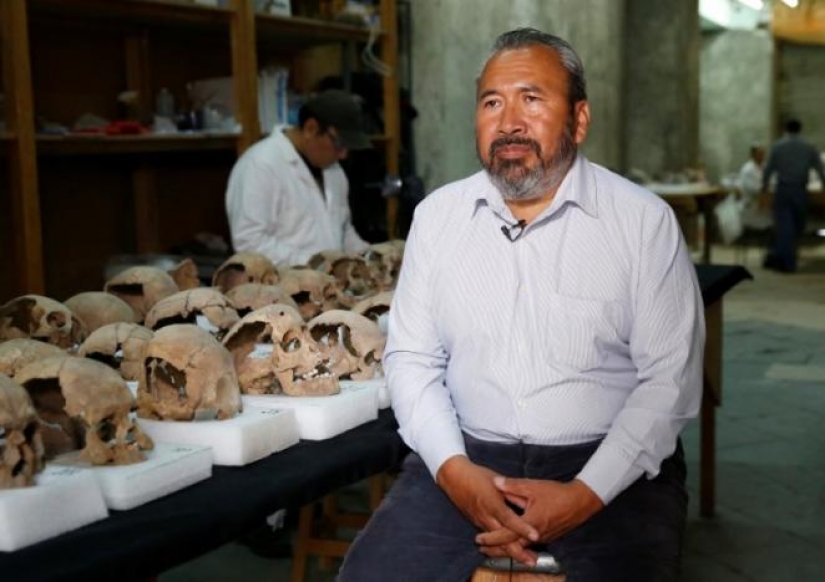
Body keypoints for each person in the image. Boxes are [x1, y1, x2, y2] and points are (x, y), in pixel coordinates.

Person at [337, 28, 705, 582]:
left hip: (608, 462)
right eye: (492, 103)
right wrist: (455, 472)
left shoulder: (641, 223)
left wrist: (584, 494)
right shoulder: (438, 219)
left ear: (579, 120)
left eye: (531, 99)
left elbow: (669, 383)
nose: (509, 122)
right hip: (467, 456)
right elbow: (412, 360)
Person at [225, 89, 371, 268]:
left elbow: (343, 231)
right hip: (279, 289)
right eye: (339, 144)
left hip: (329, 287)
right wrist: (316, 264)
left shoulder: (334, 171)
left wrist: (370, 256)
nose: (343, 155)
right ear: (311, 128)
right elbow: (249, 243)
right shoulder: (260, 164)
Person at [761, 119, 825, 273]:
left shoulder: (778, 146)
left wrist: (764, 185)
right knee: (797, 225)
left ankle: (786, 260)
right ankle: (788, 260)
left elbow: (769, 169)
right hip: (800, 191)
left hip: (783, 190)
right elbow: (819, 168)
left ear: (785, 129)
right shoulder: (808, 147)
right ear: (800, 129)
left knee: (784, 226)